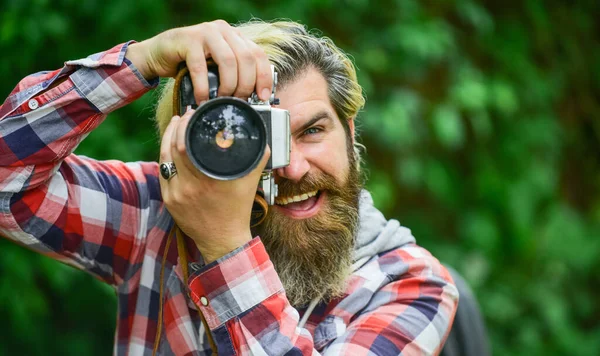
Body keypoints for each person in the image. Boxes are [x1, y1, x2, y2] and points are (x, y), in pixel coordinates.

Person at [0, 19, 458, 355]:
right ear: (193, 144)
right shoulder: (158, 214)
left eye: (313, 131)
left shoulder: (411, 285)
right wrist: (142, 60)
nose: (293, 167)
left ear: (351, 132)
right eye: (257, 137)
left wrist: (225, 246)